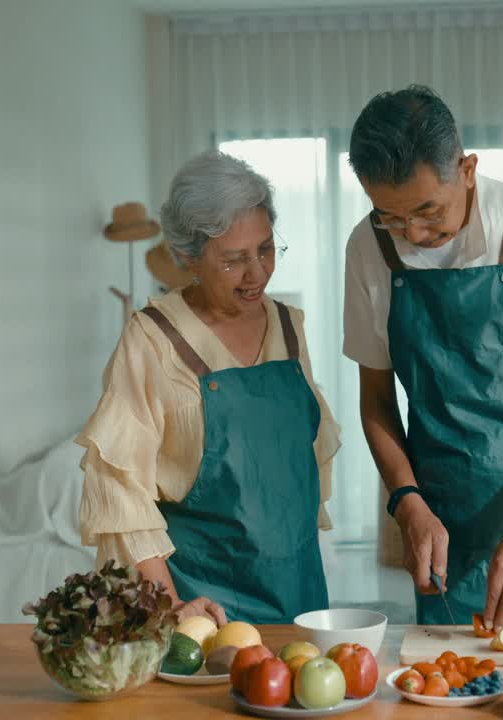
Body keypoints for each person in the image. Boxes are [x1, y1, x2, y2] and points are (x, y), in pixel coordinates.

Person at [342, 85, 503, 629]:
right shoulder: (367, 247)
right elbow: (376, 402)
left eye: (427, 210)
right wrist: (408, 501)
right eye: (392, 217)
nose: (414, 233)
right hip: (445, 518)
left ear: (467, 170)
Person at [78, 151, 341, 626]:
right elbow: (121, 491)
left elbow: (301, 466)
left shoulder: (288, 326)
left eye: (265, 249)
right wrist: (170, 607)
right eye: (234, 260)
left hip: (298, 590)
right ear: (187, 257)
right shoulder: (152, 340)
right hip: (201, 605)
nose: (257, 273)